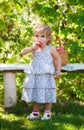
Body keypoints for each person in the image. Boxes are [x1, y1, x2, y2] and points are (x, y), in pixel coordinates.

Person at [21, 24, 61, 120]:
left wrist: (58, 70)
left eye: (42, 36)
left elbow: (58, 58)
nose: (39, 38)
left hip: (46, 76)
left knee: (48, 93)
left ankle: (47, 113)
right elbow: (22, 52)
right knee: (36, 93)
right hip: (35, 75)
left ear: (48, 38)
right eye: (36, 36)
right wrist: (31, 48)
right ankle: (35, 112)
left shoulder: (50, 48)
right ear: (34, 37)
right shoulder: (34, 48)